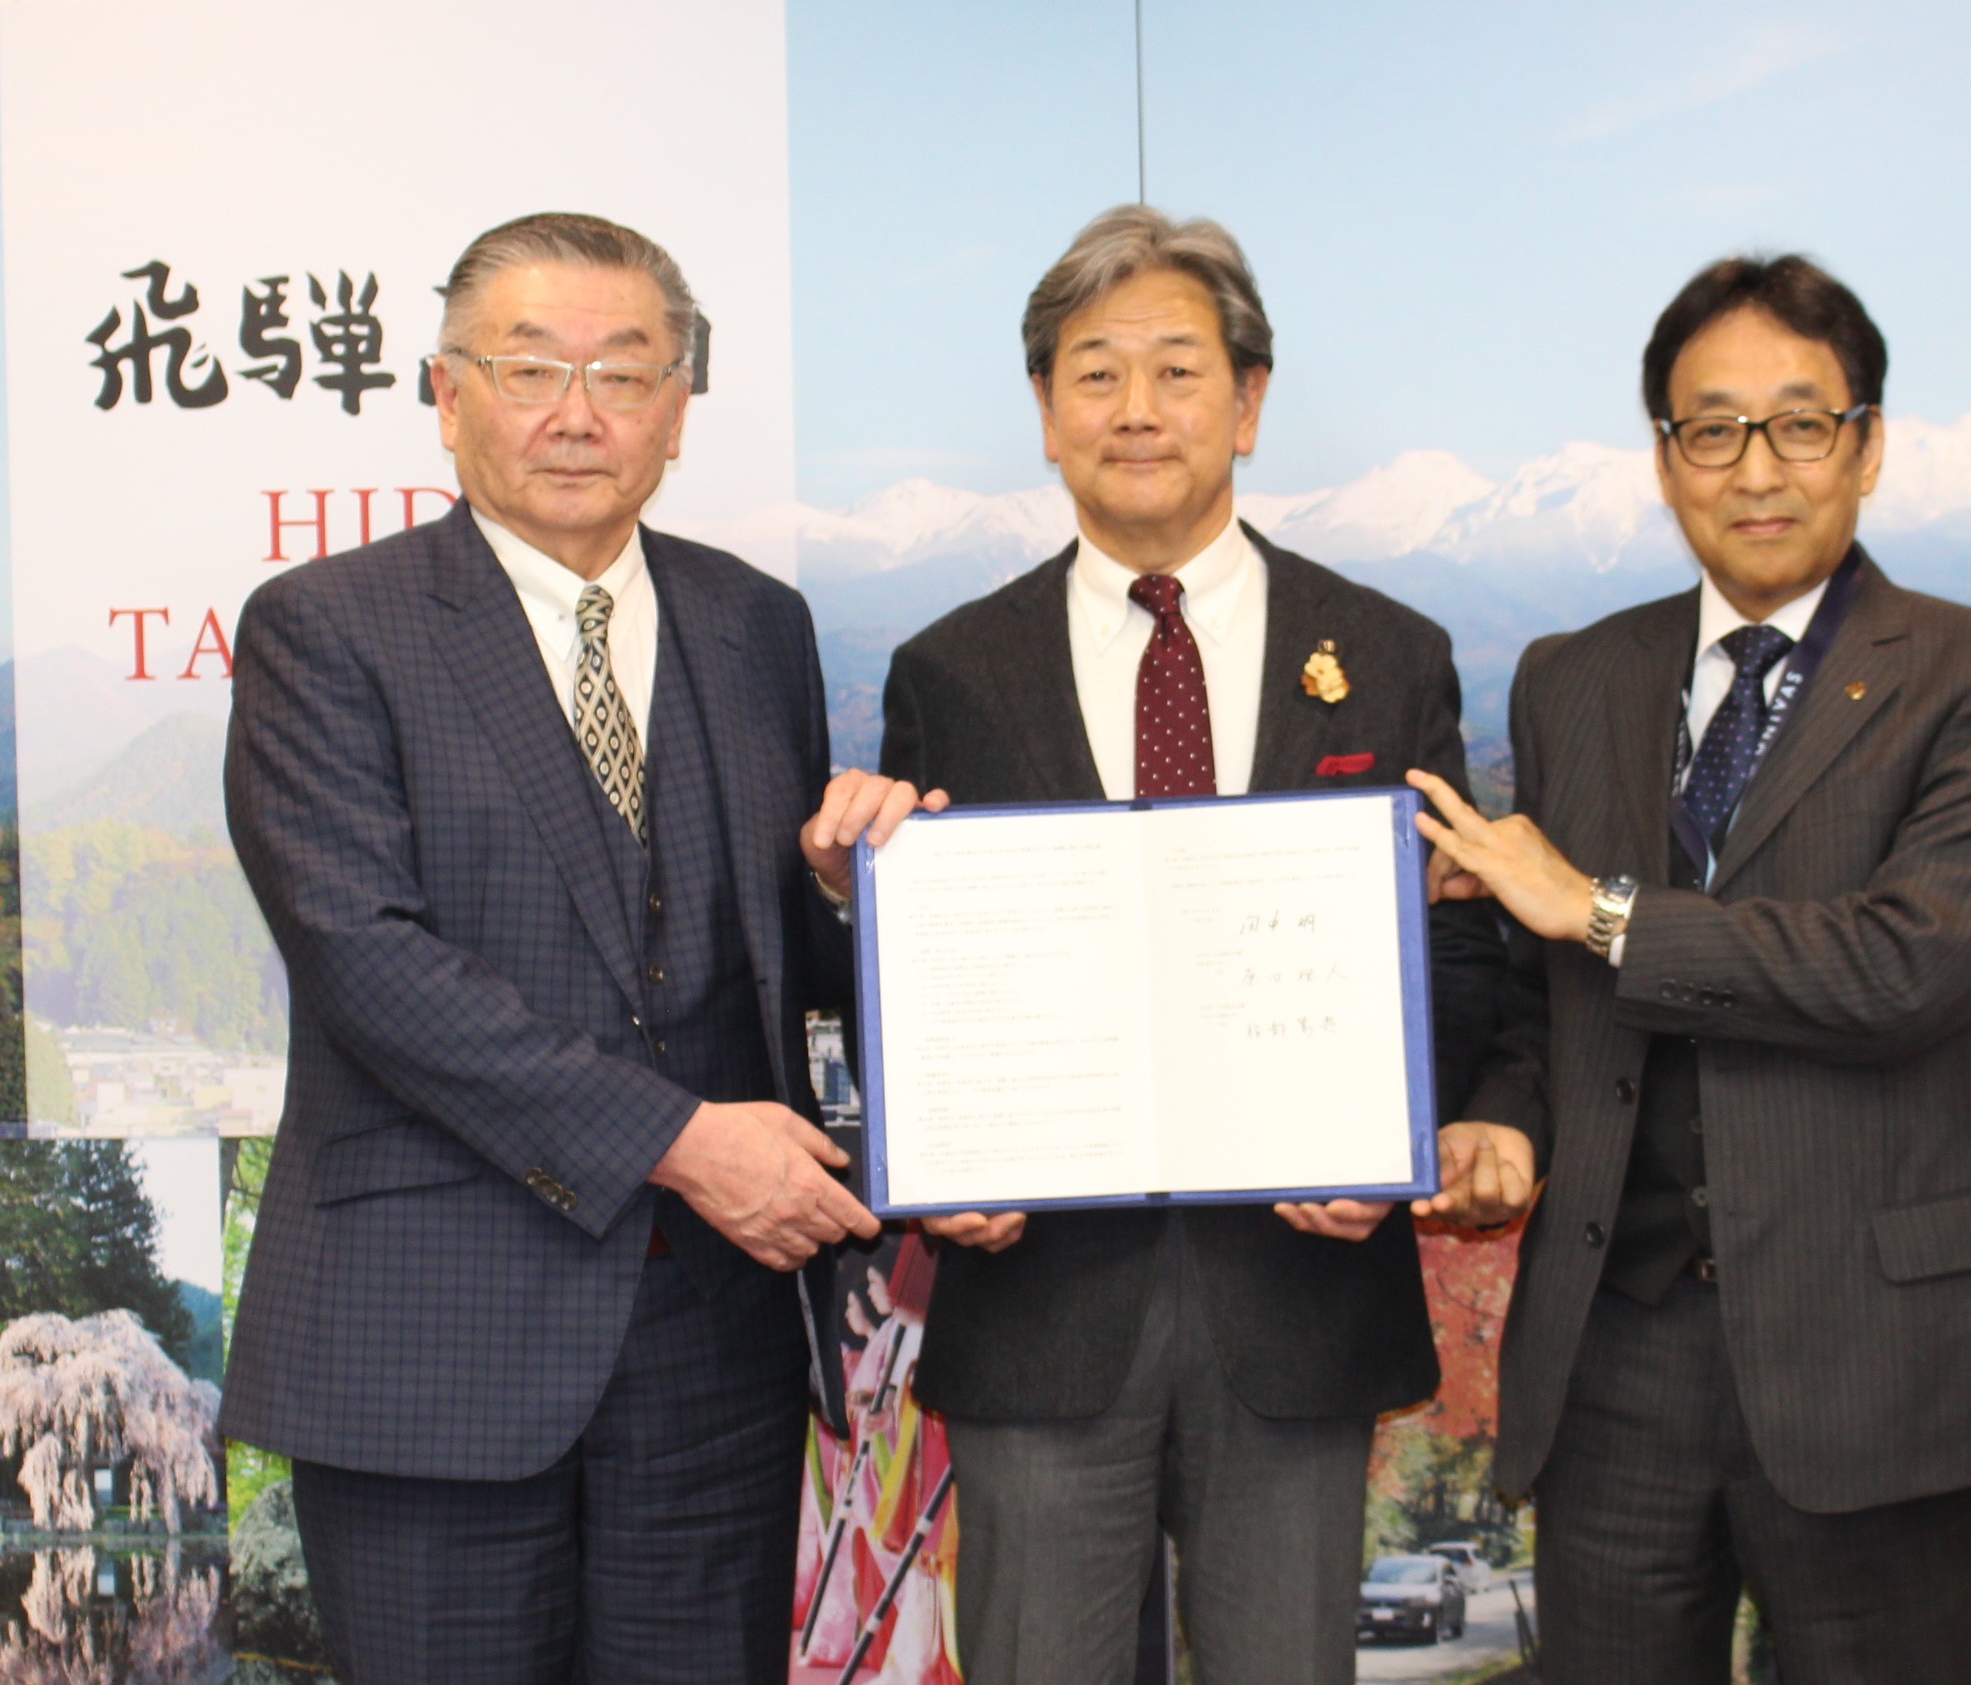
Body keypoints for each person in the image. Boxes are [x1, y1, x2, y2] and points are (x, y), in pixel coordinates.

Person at [219, 210, 929, 1684]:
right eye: (530, 367)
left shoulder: (758, 623)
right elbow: (368, 963)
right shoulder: (325, 628)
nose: (576, 413)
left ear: (678, 409)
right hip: (432, 1345)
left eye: (623, 373)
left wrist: (841, 894)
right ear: (447, 393)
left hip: (713, 1354)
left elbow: (761, 966)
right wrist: (681, 1141)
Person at [1408, 254, 1971, 1685]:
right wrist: (1505, 1121)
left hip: (1872, 1350)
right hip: (1616, 1344)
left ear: (1867, 445)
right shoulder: (1574, 676)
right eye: (1711, 429)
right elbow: (1542, 999)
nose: (1755, 468)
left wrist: (1598, 908)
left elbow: (1905, 967)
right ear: (1664, 459)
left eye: (1800, 424)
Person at [873, 204, 1502, 1685]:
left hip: (1297, 1299)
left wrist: (1399, 1134)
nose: (1136, 410)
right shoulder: (951, 670)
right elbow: (911, 972)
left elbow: (1461, 951)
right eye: (1095, 374)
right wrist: (945, 1165)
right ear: (1045, 413)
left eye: (1176, 369)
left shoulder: (1389, 652)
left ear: (1249, 401)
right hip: (1041, 1309)